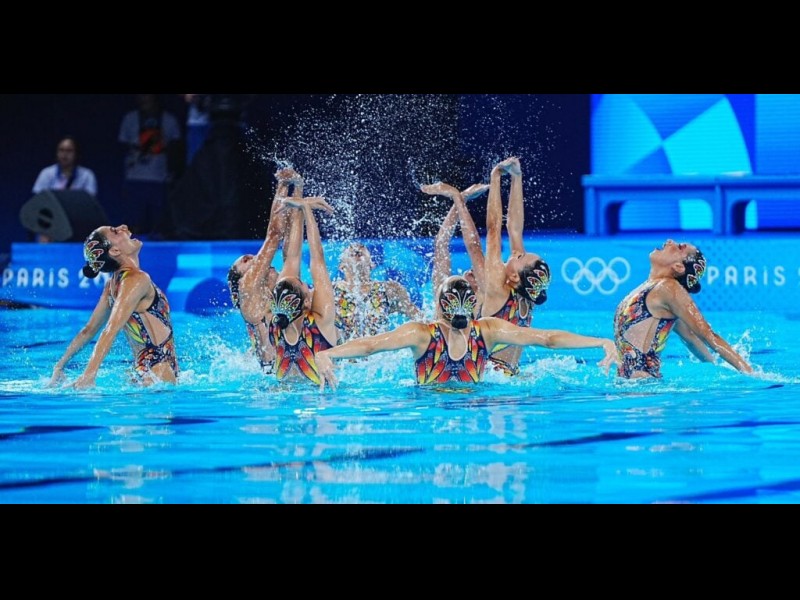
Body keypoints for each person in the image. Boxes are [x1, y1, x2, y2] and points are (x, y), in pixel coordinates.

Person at [315, 275, 618, 392]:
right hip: (477, 406)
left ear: (439, 306)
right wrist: (600, 341)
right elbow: (546, 339)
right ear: (473, 306)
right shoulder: (486, 330)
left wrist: (328, 353)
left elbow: (371, 346)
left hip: (429, 410)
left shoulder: (423, 334)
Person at [421, 157, 551, 377]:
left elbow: (489, 233)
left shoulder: (495, 289)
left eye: (520, 257)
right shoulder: (526, 294)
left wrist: (494, 177)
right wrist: (517, 177)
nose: (517, 253)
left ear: (515, 276)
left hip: (489, 378)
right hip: (510, 375)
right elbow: (515, 229)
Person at [48, 224, 178, 389]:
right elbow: (111, 329)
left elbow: (88, 330)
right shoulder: (137, 279)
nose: (123, 227)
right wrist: (88, 376)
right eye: (116, 231)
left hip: (143, 372)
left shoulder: (113, 285)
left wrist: (59, 366)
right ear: (115, 251)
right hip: (157, 374)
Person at [614, 239, 753, 379]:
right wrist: (714, 364)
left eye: (680, 247)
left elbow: (708, 336)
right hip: (634, 385)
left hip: (643, 387)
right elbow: (690, 337)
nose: (670, 241)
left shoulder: (668, 288)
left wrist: (751, 374)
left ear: (679, 267)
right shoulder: (652, 289)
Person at [226, 167, 306, 372]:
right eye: (246, 261)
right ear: (240, 279)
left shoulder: (281, 290)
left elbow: (292, 248)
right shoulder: (248, 291)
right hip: (273, 376)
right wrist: (282, 184)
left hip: (300, 371)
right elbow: (274, 236)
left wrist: (298, 190)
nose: (254, 259)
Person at [268, 188, 337, 385]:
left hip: (281, 398)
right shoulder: (321, 321)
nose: (307, 283)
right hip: (323, 400)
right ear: (307, 302)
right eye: (305, 285)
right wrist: (306, 208)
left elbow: (292, 257)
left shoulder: (276, 324)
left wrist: (298, 207)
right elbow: (318, 259)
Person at [118, 94, 182, 236]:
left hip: (160, 179)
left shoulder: (169, 120)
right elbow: (122, 147)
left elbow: (176, 150)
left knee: (159, 226)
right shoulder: (130, 119)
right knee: (134, 224)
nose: (144, 98)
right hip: (135, 178)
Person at [333, 242, 423, 343]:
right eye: (350, 248)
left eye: (362, 247)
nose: (356, 247)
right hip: (343, 351)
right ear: (341, 266)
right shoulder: (331, 292)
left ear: (372, 265)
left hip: (379, 351)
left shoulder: (391, 290)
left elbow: (420, 319)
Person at [31, 136, 99, 243]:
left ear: (76, 154)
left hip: (78, 223)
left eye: (69, 151)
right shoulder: (46, 174)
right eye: (61, 150)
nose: (64, 154)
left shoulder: (87, 175)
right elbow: (38, 203)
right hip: (52, 223)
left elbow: (89, 206)